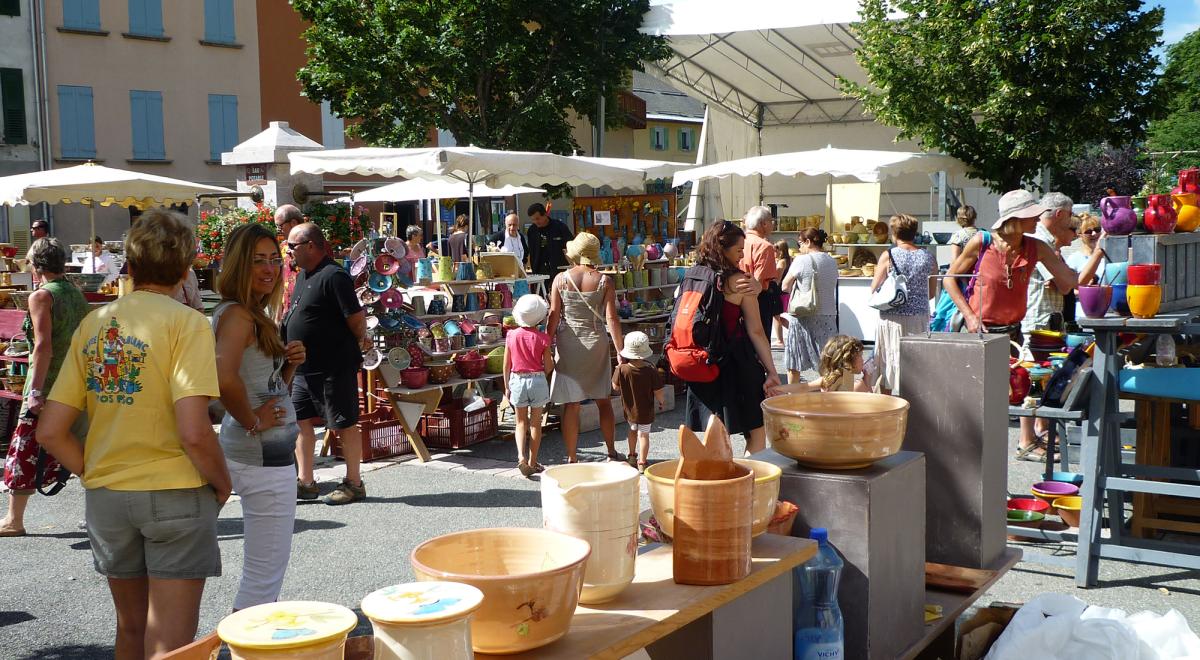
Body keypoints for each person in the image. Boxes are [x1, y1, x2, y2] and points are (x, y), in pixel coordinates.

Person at [36, 209, 230, 659]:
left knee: (130, 633)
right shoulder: (188, 324)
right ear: (186, 270)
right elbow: (194, 431)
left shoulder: (94, 323)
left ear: (131, 264)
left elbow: (50, 431)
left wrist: (94, 469)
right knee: (172, 644)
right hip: (174, 489)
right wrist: (223, 482)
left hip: (107, 494)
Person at [213, 223, 307, 610]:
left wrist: (289, 367)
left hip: (261, 453)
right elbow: (223, 376)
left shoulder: (245, 312)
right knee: (264, 573)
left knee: (264, 569)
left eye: (274, 260)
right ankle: (246, 646)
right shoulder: (238, 315)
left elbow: (264, 386)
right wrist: (253, 420)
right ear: (238, 265)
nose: (269, 269)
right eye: (257, 261)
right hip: (262, 458)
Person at [1, 238, 90, 537]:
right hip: (76, 383)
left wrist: (35, 391)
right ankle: (98, 515)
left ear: (36, 265)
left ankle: (14, 520)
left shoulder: (42, 296)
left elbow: (42, 346)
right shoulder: (75, 294)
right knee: (82, 448)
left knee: (24, 448)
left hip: (49, 384)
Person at [283, 222, 371, 505]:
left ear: (310, 245)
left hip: (333, 365)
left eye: (292, 246)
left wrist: (361, 340)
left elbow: (355, 317)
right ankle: (306, 482)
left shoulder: (334, 276)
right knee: (300, 422)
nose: (288, 251)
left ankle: (354, 483)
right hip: (303, 368)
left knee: (343, 423)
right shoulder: (303, 276)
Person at [682, 220, 782, 455]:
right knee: (756, 431)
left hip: (701, 362)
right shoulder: (740, 282)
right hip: (736, 364)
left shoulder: (693, 274)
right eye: (738, 250)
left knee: (713, 434)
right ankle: (749, 482)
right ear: (722, 249)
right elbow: (756, 331)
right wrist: (772, 371)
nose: (741, 256)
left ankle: (718, 483)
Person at [944, 190, 1077, 349]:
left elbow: (1069, 280)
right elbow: (949, 278)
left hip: (1013, 335)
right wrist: (969, 316)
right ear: (1016, 218)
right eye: (1032, 215)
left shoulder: (1037, 247)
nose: (1037, 218)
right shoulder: (982, 242)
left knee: (1014, 374)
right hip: (978, 333)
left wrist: (1098, 252)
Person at [546, 232, 624, 462]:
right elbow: (612, 319)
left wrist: (546, 343)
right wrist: (620, 351)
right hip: (596, 343)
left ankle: (572, 456)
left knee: (571, 404)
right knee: (603, 399)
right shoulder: (604, 281)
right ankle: (611, 451)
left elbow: (553, 315)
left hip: (568, 343)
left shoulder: (560, 279)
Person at [870, 214, 937, 394]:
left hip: (891, 318)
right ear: (914, 233)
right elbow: (931, 293)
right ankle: (914, 411)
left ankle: (887, 410)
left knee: (886, 366)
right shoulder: (929, 257)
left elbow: (874, 288)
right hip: (918, 318)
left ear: (894, 233)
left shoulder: (889, 255)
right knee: (916, 369)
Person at [781, 228, 839, 385]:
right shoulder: (832, 261)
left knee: (794, 362)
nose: (800, 247)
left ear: (808, 241)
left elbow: (785, 286)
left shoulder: (801, 260)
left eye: (800, 243)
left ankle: (792, 397)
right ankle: (828, 395)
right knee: (827, 360)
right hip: (828, 314)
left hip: (803, 314)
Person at [503, 294, 553, 477]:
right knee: (536, 423)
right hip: (538, 379)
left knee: (520, 422)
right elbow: (548, 366)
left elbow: (506, 364)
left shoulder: (511, 335)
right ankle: (533, 461)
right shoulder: (543, 338)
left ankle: (520, 457)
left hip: (517, 379)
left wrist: (507, 385)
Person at [612, 331, 665, 473]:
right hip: (646, 411)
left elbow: (615, 387)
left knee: (632, 430)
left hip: (629, 410)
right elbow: (658, 391)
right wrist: (661, 401)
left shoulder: (622, 369)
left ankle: (631, 456)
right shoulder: (651, 371)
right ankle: (642, 462)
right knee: (644, 435)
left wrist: (617, 372)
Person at [737, 206, 781, 337]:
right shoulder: (765, 246)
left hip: (736, 295)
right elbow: (759, 282)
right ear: (764, 223)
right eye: (772, 221)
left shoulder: (739, 241)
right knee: (759, 339)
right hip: (758, 299)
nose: (773, 224)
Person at [790, 335, 873, 393]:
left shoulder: (831, 378)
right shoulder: (847, 381)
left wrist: (778, 389)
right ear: (848, 360)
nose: (863, 360)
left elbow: (804, 387)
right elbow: (869, 399)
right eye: (861, 356)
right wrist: (867, 377)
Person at [1065, 214, 1108, 320]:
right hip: (1082, 314)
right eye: (1088, 232)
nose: (1094, 234)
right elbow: (1068, 290)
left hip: (1107, 313)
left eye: (1097, 230)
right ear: (1079, 235)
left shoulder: (1108, 256)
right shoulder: (1073, 259)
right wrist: (1086, 290)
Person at [527, 202, 574, 277]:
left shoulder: (560, 227)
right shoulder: (532, 231)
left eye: (537, 219)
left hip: (559, 270)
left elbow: (571, 246)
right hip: (539, 271)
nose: (536, 222)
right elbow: (531, 251)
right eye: (533, 220)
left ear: (545, 214)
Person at [275, 204, 305, 319]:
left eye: (280, 226)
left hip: (304, 312)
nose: (278, 230)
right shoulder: (283, 247)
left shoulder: (314, 246)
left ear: (293, 223)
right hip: (286, 313)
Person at [772, 240, 792, 347]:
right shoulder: (789, 260)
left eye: (775, 250)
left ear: (780, 250)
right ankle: (795, 330)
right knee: (777, 316)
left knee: (776, 316)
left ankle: (780, 340)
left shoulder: (781, 262)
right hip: (784, 292)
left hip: (778, 291)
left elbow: (777, 279)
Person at [24, 219, 50, 287]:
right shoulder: (36, 243)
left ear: (41, 229)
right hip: (37, 280)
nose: (31, 230)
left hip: (44, 281)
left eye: (33, 228)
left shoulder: (47, 244)